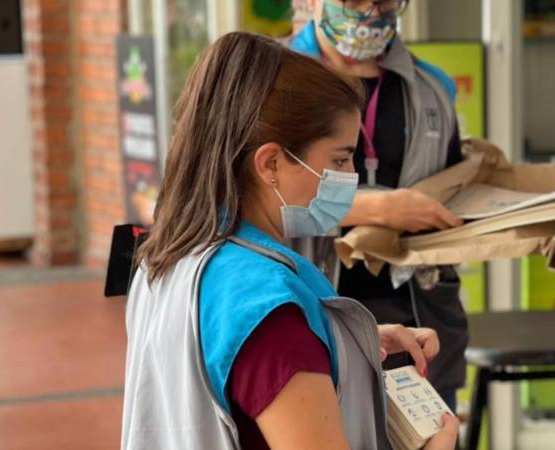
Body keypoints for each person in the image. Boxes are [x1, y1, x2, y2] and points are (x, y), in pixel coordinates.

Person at [121, 32, 459, 450]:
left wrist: (344, 343)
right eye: (339, 159)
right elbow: (269, 347)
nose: (351, 177)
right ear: (271, 163)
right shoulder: (270, 310)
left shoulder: (168, 258)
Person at [289, 0, 469, 411]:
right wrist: (378, 211)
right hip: (313, 316)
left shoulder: (433, 87)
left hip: (421, 322)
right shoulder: (273, 83)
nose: (371, 9)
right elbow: (250, 196)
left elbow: (454, 187)